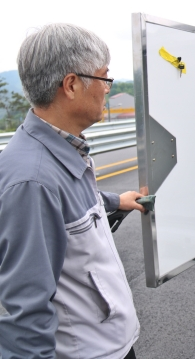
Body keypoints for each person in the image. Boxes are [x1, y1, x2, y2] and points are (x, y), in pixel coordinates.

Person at [0, 24, 145, 358]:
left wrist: (114, 201)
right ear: (71, 84)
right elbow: (26, 312)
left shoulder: (61, 148)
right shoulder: (32, 181)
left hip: (111, 346)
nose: (107, 89)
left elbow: (70, 213)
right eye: (104, 78)